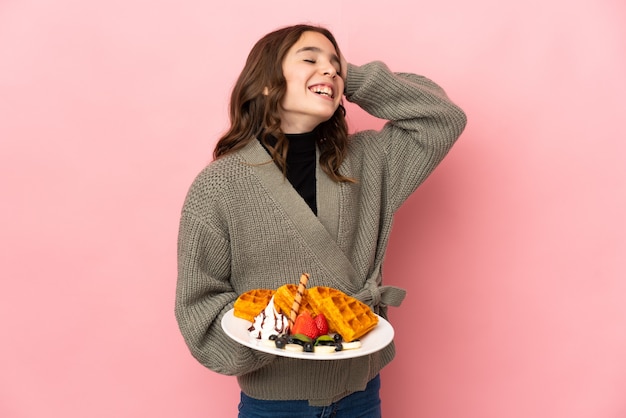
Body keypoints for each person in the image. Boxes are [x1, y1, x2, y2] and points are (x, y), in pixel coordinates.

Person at [175, 23, 466, 417]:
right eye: (310, 58)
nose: (329, 69)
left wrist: (353, 76)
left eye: (335, 63)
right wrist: (276, 333)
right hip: (274, 403)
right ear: (265, 82)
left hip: (360, 394)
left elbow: (442, 119)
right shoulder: (219, 185)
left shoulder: (368, 161)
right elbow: (198, 306)